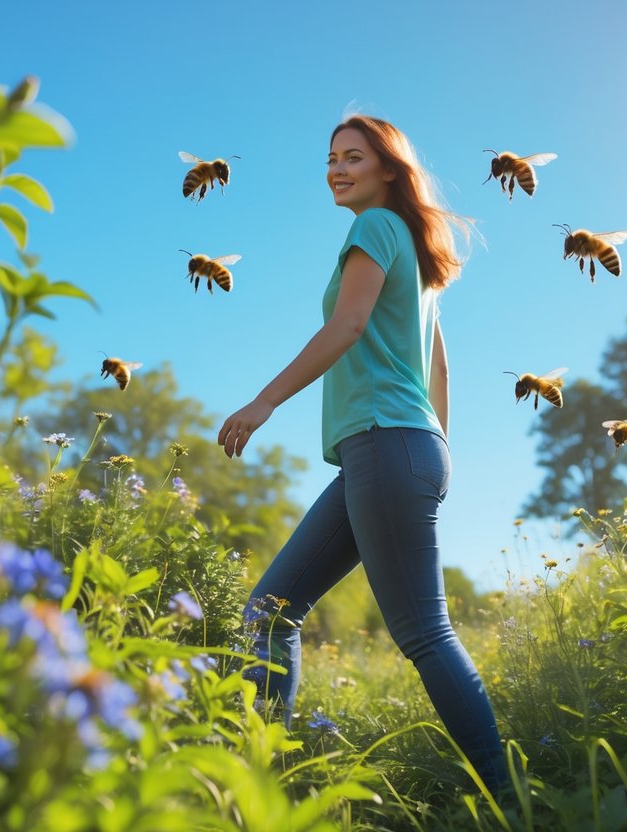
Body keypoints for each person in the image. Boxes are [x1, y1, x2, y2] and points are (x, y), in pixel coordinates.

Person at [217, 115, 508, 792]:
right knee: (271, 610)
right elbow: (439, 367)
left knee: (422, 633)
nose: (337, 169)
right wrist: (435, 444)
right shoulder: (415, 253)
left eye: (353, 157)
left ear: (387, 169)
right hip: (396, 448)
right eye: (330, 158)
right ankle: (261, 785)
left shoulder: (375, 227)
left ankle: (504, 796)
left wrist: (263, 402)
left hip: (387, 444)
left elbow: (346, 326)